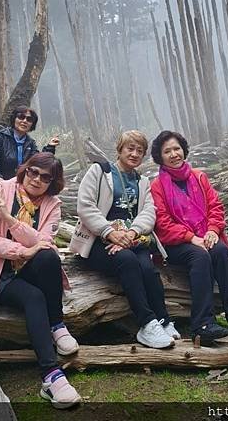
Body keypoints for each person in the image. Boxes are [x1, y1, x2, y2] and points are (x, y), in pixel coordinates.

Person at [0, 152, 81, 408]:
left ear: (52, 182)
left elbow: (44, 241)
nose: (37, 180)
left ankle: (56, 324)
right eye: (33, 172)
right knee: (34, 297)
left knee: (48, 257)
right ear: (25, 170)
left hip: (31, 269)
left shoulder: (52, 204)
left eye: (45, 177)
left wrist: (11, 222)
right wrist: (23, 251)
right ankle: (51, 376)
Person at [69, 130, 176, 350]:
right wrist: (109, 232)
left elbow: (149, 212)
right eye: (130, 148)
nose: (135, 154)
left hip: (131, 238)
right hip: (99, 240)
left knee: (147, 267)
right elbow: (85, 205)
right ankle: (146, 323)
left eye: (140, 150)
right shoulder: (99, 171)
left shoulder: (142, 181)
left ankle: (163, 320)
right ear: (120, 149)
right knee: (127, 261)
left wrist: (132, 233)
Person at [150, 130, 228, 344]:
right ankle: (202, 323)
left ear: (184, 150)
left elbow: (215, 207)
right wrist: (191, 237)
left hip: (204, 235)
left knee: (221, 250)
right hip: (175, 243)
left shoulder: (199, 177)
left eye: (177, 149)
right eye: (167, 151)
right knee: (200, 256)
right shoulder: (157, 186)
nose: (174, 154)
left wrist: (212, 230)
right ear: (160, 157)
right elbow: (162, 224)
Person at [0, 105, 59, 202]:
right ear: (14, 118)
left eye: (29, 119)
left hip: (19, 190)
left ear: (32, 124)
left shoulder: (30, 143)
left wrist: (50, 147)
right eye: (21, 117)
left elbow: (37, 163)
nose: (25, 121)